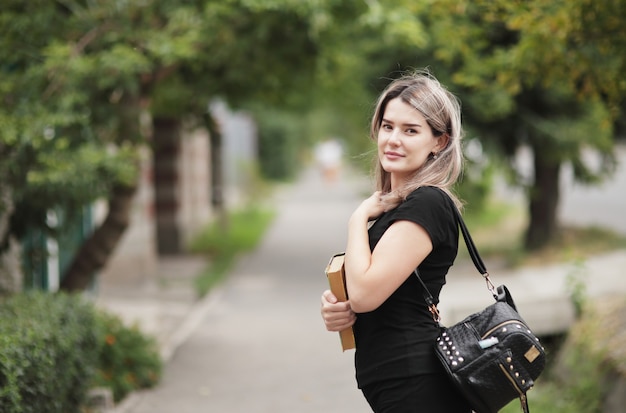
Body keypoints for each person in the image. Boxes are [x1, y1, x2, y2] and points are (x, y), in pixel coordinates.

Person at [320, 70, 471, 413]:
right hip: (397, 380)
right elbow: (371, 293)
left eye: (410, 130)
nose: (393, 139)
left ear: (440, 142)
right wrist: (338, 310)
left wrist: (357, 219)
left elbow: (366, 294)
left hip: (416, 383)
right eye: (388, 126)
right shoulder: (398, 205)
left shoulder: (429, 203)